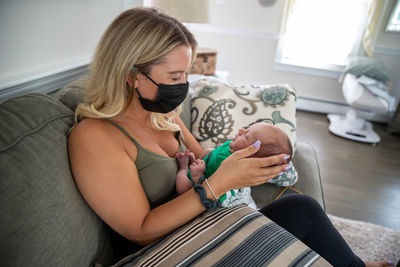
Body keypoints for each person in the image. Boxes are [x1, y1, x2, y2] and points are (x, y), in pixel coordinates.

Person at [67, 7, 393, 267]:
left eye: (187, 74)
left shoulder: (163, 116)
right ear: (132, 76)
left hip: (215, 224)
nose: (183, 86)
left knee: (301, 208)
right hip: (176, 249)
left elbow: (206, 157)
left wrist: (247, 160)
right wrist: (217, 184)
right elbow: (140, 231)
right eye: (175, 76)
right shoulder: (94, 137)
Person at [175, 123, 295, 209]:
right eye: (247, 128)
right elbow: (221, 149)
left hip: (198, 189)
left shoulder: (232, 172)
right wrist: (216, 150)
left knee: (182, 187)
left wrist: (198, 175)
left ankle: (184, 168)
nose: (241, 130)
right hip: (206, 165)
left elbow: (212, 195)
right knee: (209, 151)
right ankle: (194, 164)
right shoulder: (233, 147)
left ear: (251, 159)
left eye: (246, 136)